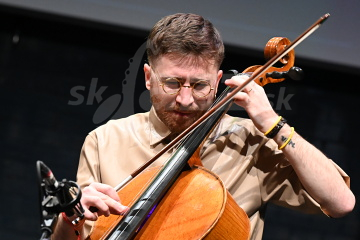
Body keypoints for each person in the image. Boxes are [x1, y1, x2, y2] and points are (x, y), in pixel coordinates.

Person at [51, 13, 355, 240]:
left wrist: (274, 124)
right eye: (172, 83)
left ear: (218, 82)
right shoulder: (105, 140)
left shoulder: (249, 143)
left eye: (199, 86)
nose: (185, 99)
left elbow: (341, 202)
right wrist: (72, 216)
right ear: (147, 77)